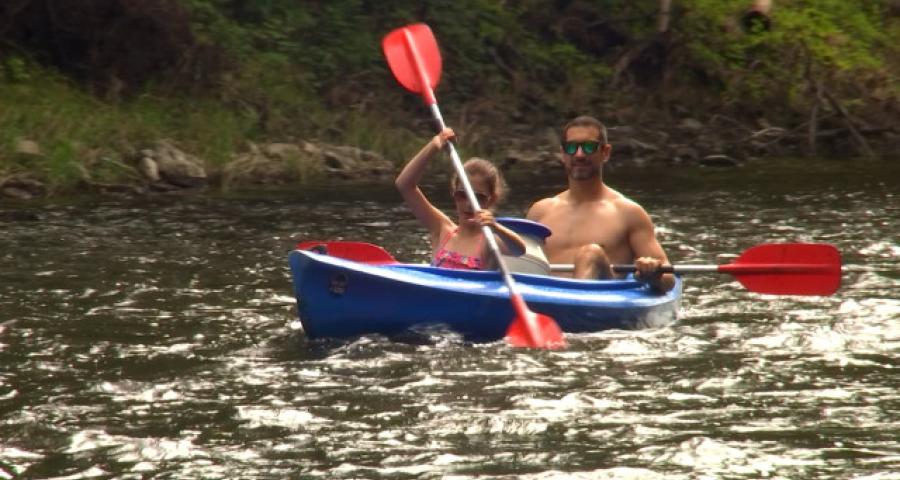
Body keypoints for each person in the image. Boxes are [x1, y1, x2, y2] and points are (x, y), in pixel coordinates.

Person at [526, 115, 676, 293]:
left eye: (589, 147)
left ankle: (576, 302)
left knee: (591, 253)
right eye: (571, 147)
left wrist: (653, 271)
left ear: (605, 152)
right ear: (563, 154)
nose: (579, 154)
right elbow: (521, 263)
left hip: (602, 300)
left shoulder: (628, 212)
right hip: (545, 299)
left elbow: (668, 278)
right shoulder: (541, 211)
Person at [396, 127, 526, 270]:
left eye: (479, 197)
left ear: (491, 200)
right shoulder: (442, 229)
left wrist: (495, 226)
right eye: (462, 195)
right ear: (454, 193)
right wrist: (434, 146)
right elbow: (404, 184)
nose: (469, 204)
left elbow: (519, 250)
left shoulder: (490, 241)